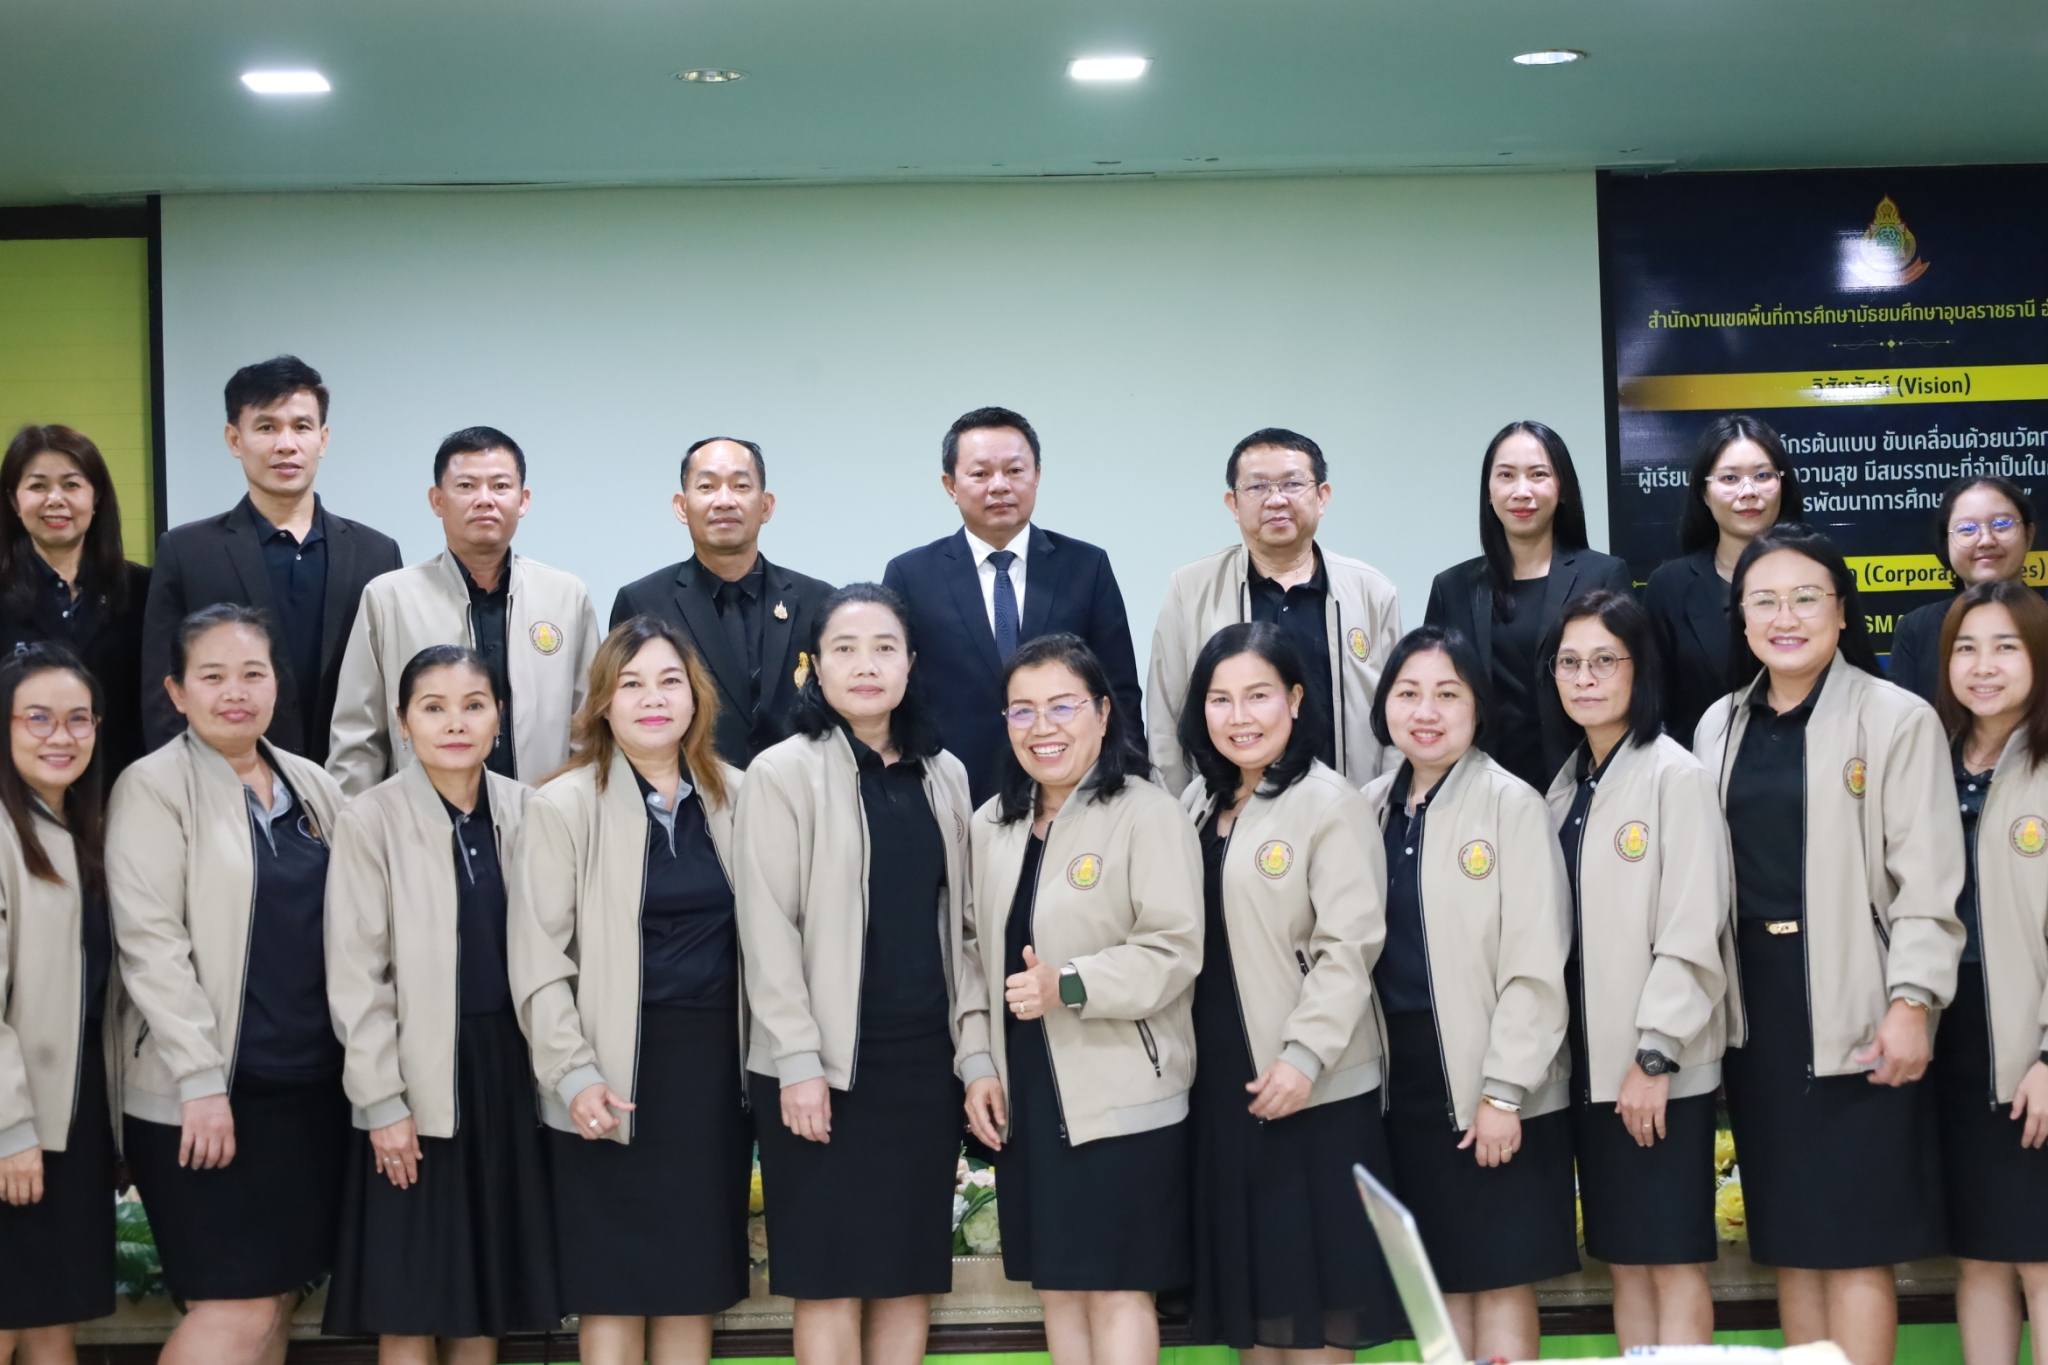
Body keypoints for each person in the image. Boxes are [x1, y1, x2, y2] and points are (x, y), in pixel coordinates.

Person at [1695, 524, 1964, 1365]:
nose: (1786, 617)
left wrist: (1912, 1001)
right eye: (1765, 601)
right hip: (1758, 1011)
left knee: (1854, 1241)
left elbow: (1928, 880)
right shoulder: (1718, 725)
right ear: (1742, 619)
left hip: (1858, 1004)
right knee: (1790, 1240)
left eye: (1806, 598)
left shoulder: (1896, 716)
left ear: (1843, 612)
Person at [733, 583, 974, 1365]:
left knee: (907, 1276)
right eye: (845, 648)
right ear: (814, 665)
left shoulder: (946, 773)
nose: (865, 665)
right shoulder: (780, 772)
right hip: (820, 1068)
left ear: (911, 662)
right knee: (829, 1279)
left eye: (883, 648)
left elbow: (965, 925)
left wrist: (972, 1057)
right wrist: (798, 1060)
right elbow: (766, 929)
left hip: (921, 1063)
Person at [108, 604, 348, 1365]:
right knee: (236, 1304)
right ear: (177, 692)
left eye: (252, 673)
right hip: (202, 1098)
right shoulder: (152, 787)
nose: (235, 691)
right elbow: (152, 946)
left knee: (275, 1300)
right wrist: (201, 1082)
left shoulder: (313, 786)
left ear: (277, 684)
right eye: (212, 676)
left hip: (307, 1092)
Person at [508, 617, 750, 1365]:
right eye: (632, 683)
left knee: (691, 1283)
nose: (653, 698)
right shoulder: (562, 805)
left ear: (695, 698)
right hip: (609, 1076)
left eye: (669, 681)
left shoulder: (738, 795)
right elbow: (537, 959)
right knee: (612, 1287)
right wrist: (573, 1072)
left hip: (711, 1076)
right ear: (603, 703)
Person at [959, 633, 1202, 1365]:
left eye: (1062, 706)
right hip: (1028, 1091)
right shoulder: (991, 824)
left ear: (1102, 712)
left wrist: (1069, 982)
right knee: (1060, 1289)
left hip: (1122, 1092)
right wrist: (977, 1062)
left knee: (1118, 1289)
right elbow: (970, 950)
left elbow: (1173, 950)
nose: (1043, 727)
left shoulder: (1148, 812)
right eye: (1023, 710)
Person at [1172, 622, 1402, 1358]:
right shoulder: (1197, 801)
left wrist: (1304, 1056)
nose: (1239, 716)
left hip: (1313, 1091)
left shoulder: (1329, 801)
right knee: (1256, 1312)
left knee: (1317, 1313)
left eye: (1259, 695)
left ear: (1296, 700)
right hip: (1224, 1090)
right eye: (1220, 699)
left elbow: (1350, 945)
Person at [322, 645, 558, 1360]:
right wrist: (382, 1103)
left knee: (482, 1303)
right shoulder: (369, 819)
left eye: (473, 705)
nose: (455, 722)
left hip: (506, 1075)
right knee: (412, 1301)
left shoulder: (530, 810)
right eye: (433, 707)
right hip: (415, 1082)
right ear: (402, 721)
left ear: (499, 716)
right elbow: (357, 978)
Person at [1360, 625, 1576, 1362]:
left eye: (1448, 694)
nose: (1426, 711)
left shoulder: (1510, 804)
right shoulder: (1369, 807)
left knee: (1500, 1278)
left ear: (1478, 706)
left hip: (1492, 1080)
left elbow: (1536, 963)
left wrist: (1504, 1092)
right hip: (1406, 1084)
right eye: (1408, 692)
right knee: (1441, 1279)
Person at [1540, 591, 1732, 1349]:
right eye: (1569, 662)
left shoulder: (1674, 775)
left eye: (1603, 660)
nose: (1585, 678)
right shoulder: (1568, 785)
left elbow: (1694, 927)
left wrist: (1656, 1055)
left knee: (1672, 1264)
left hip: (1657, 1068)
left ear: (1639, 667)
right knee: (1625, 1262)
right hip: (1593, 1067)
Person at [141, 356, 402, 762]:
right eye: (266, 427)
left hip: (352, 786)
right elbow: (162, 693)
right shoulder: (187, 552)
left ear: (323, 439)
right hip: (225, 781)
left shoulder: (376, 553)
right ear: (234, 439)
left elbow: (396, 690)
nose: (286, 444)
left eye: (301, 426)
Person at [883, 406, 1145, 804]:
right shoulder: (910, 575)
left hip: (1071, 791)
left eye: (1015, 470)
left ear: (1037, 475)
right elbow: (898, 697)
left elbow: (1119, 688)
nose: (1000, 486)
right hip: (949, 793)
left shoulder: (1086, 566)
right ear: (950, 484)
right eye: (980, 474)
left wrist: (1131, 784)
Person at [329, 425, 599, 796]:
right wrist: (353, 822)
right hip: (421, 820)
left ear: (523, 500)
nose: (484, 500)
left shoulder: (566, 596)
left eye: (500, 486)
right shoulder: (388, 599)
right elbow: (357, 739)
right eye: (467, 486)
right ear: (437, 500)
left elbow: (588, 733)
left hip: (543, 817)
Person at [1930, 580, 2048, 1365]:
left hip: (2031, 1036)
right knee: (1976, 1254)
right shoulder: (1930, 757)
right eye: (1967, 648)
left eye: (2006, 647)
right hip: (1953, 1028)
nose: (1984, 666)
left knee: (2040, 1255)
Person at [1148, 428, 1400, 794]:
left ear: (1322, 496)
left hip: (1347, 805)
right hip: (1228, 809)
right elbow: (1165, 718)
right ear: (1233, 504)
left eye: (1292, 484)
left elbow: (1397, 715)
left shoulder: (1372, 592)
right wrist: (1178, 814)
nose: (1276, 499)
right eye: (1257, 487)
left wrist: (1384, 808)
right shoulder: (1189, 589)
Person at [0, 647, 117, 1361]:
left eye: (78, 719)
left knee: (52, 1324)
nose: (61, 736)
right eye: (38, 718)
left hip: (72, 1120)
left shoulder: (81, 828)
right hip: (16, 1124)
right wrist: (11, 1129)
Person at [1424, 420, 1632, 792]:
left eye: (1538, 475)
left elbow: (1628, 685)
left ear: (1562, 488)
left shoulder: (1603, 575)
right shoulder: (1452, 587)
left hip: (1582, 782)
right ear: (1489, 492)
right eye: (1506, 475)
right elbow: (1436, 693)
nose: (1522, 491)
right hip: (1480, 788)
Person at [610, 436, 833, 769]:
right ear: (681, 506)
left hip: (799, 791)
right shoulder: (642, 602)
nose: (725, 500)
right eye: (707, 487)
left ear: (766, 506)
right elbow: (623, 720)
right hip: (690, 793)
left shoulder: (818, 601)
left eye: (741, 486)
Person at [1642, 415, 1805, 743]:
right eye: (1730, 478)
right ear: (1704, 493)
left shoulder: (1818, 575)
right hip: (1700, 767)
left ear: (1782, 484)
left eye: (1762, 476)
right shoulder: (1669, 587)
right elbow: (1649, 705)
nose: (1748, 492)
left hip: (1809, 763)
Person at [0, 424, 152, 777]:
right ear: (14, 501)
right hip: (17, 791)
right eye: (38, 486)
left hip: (124, 785)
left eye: (71, 485)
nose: (55, 499)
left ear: (96, 497)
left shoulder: (143, 588)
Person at [1889, 477, 2039, 702]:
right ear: (1946, 543)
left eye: (2002, 524)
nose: (1986, 540)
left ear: (2029, 535)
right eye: (1967, 529)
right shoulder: (1916, 630)